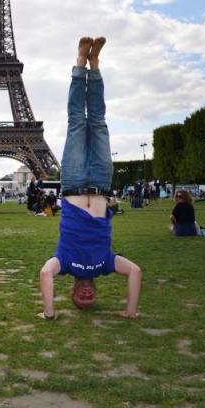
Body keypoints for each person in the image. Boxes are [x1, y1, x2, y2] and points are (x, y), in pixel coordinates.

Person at [39, 37, 141, 320]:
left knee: (76, 121)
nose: (86, 297)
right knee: (98, 121)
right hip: (101, 181)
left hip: (72, 181)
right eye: (90, 300)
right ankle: (95, 67)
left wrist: (50, 313)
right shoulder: (105, 265)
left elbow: (45, 272)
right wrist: (130, 312)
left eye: (79, 300)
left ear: (70, 291)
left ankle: (79, 64)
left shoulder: (66, 264)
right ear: (96, 292)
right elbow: (135, 271)